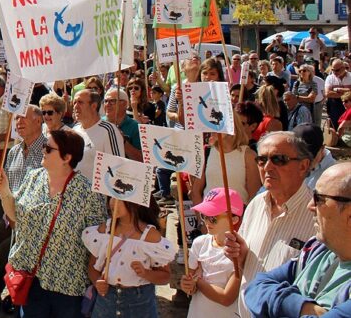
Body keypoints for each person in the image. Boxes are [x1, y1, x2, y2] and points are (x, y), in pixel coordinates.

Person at [0, 129, 107, 318]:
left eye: (48, 149)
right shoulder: (33, 177)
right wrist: (4, 190)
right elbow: (15, 215)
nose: (42, 151)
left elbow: (98, 242)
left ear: (66, 157)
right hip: (30, 278)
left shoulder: (88, 193)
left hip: (67, 286)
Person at [223, 131, 317, 318]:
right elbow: (246, 265)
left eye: (279, 159)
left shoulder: (318, 214)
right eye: (261, 159)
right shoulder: (255, 205)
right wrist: (241, 256)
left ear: (303, 166)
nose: (267, 167)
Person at [244, 162, 351, 317]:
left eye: (319, 198)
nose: (310, 205)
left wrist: (275, 306)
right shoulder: (316, 250)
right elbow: (256, 287)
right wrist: (303, 307)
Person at [0, 104, 46, 310]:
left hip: (34, 222)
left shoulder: (49, 150)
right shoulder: (13, 152)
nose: (18, 123)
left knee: (6, 249)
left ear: (38, 121)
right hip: (10, 216)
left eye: (24, 118)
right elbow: (8, 187)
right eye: (17, 119)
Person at [84, 198, 174, 318]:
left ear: (134, 201)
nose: (112, 202)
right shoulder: (105, 229)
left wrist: (146, 273)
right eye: (111, 196)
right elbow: (92, 266)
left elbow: (166, 276)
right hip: (106, 303)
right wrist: (97, 282)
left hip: (140, 305)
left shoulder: (150, 236)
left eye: (119, 198)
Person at [180, 188, 243, 318]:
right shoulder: (199, 243)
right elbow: (190, 287)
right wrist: (187, 284)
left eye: (213, 218)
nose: (207, 222)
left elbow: (226, 298)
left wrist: (198, 281)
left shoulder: (239, 252)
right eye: (204, 216)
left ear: (234, 219)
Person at [71, 89, 126, 174]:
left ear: (93, 106)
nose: (75, 106)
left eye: (80, 102)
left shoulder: (109, 130)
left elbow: (118, 167)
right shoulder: (75, 129)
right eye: (74, 102)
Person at [102, 88, 143, 161]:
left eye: (112, 101)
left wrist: (123, 141)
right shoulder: (98, 123)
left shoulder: (135, 127)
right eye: (105, 101)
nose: (107, 104)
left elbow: (141, 159)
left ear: (124, 104)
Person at [325, 58, 351, 128]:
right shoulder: (330, 78)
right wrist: (347, 92)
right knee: (334, 126)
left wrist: (338, 89)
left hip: (349, 107)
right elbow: (327, 93)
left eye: (337, 70)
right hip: (335, 106)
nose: (334, 72)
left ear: (343, 68)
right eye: (333, 70)